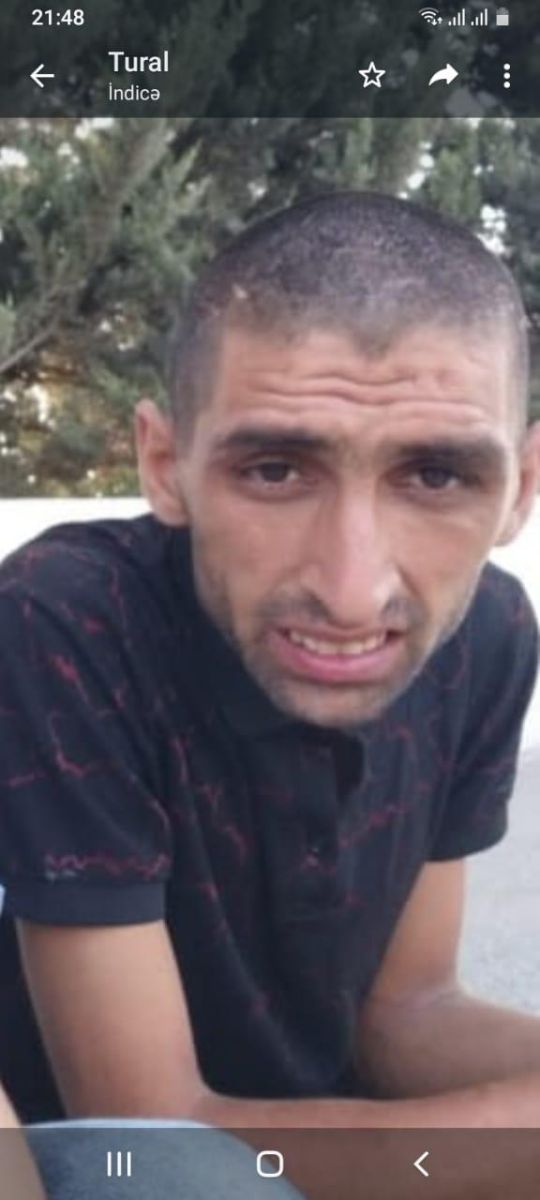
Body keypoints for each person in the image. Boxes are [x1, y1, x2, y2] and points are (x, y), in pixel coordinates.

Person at [1, 191, 540, 1196]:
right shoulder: (68, 621)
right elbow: (149, 1131)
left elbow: (406, 1013)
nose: (353, 591)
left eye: (435, 477)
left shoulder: (488, 631)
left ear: (519, 488)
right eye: (277, 469)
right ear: (166, 465)